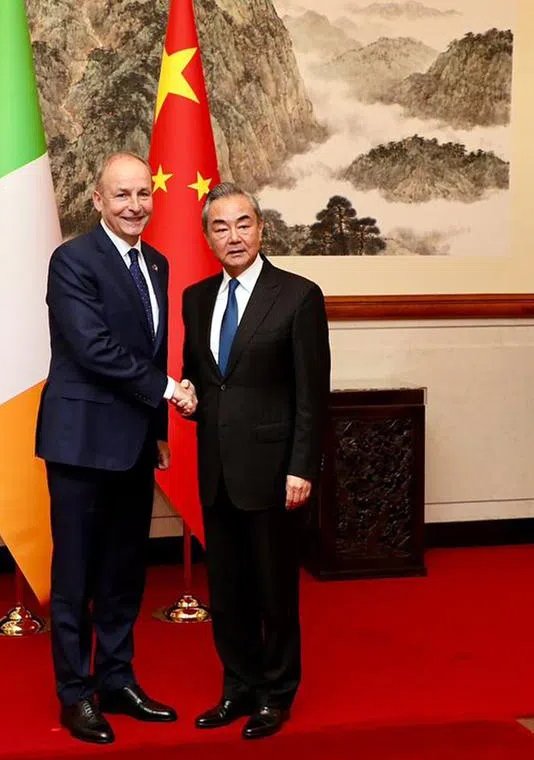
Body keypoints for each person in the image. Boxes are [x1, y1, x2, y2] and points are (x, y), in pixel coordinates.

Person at [35, 151, 197, 745]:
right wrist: (168, 392)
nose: (134, 206)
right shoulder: (72, 260)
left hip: (132, 444)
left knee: (125, 573)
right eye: (121, 195)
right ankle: (76, 694)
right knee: (75, 575)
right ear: (98, 200)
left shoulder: (155, 262)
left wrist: (157, 428)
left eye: (142, 195)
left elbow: (151, 351)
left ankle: (117, 679)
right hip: (80, 444)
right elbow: (91, 346)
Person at [180, 182, 331, 740]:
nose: (233, 236)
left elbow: (313, 393)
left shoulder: (297, 295)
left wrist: (302, 467)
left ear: (261, 228)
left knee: (274, 591)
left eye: (243, 224)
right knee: (228, 590)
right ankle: (238, 687)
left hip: (274, 474)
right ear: (207, 238)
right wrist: (190, 399)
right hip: (217, 471)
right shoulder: (196, 298)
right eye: (220, 227)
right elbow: (201, 376)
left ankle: (276, 693)